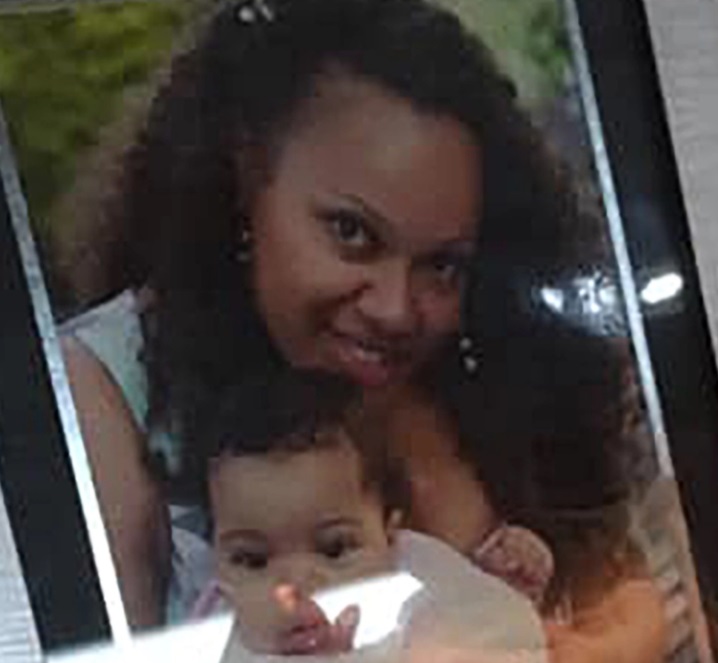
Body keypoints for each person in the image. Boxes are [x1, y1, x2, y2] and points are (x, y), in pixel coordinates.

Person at [59, 0, 667, 660]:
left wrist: (630, 632)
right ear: (245, 179)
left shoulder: (493, 361)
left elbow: (633, 586)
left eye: (442, 264)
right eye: (352, 234)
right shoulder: (101, 393)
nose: (396, 309)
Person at [191, 369, 546, 659]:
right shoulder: (214, 640)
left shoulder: (422, 597)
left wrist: (502, 587)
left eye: (334, 549)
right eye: (253, 560)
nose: (295, 585)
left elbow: (500, 636)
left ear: (388, 535)